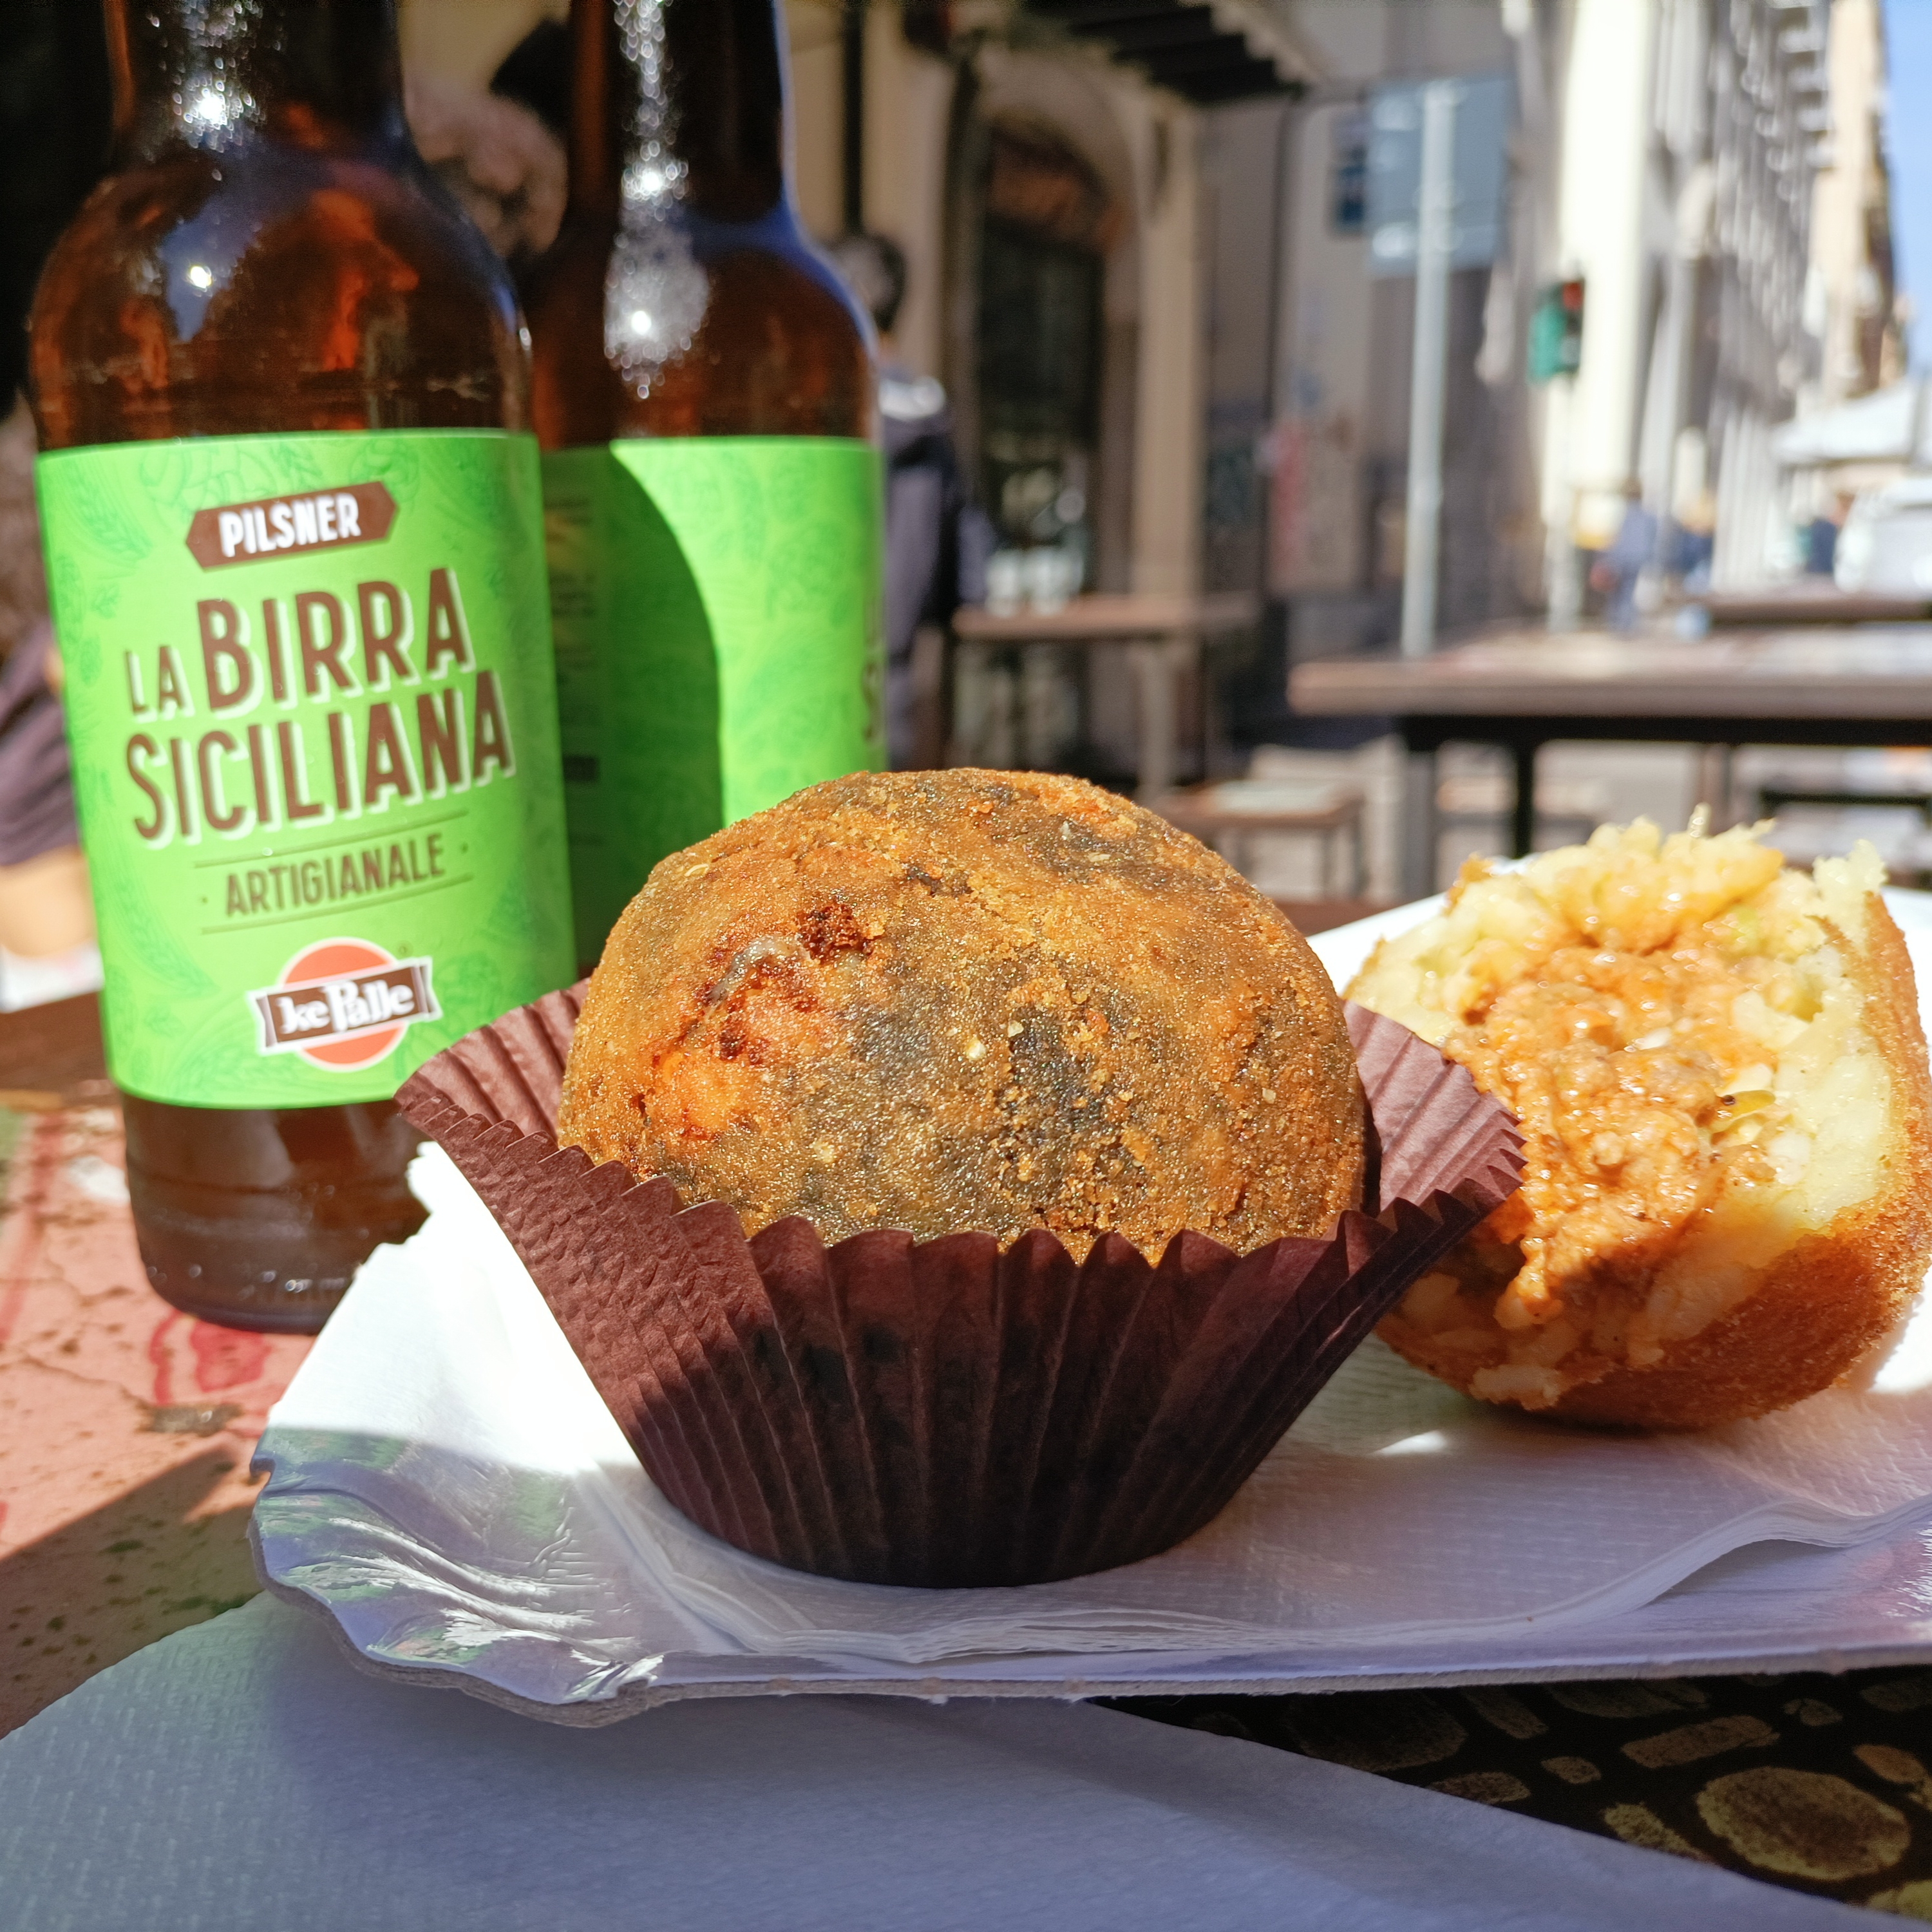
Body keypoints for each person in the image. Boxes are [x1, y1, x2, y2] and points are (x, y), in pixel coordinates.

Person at [827, 232, 992, 768]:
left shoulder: (820, 415)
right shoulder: (929, 417)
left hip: (816, 663)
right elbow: (966, 548)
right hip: (898, 676)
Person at [1588, 480, 1659, 632]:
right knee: (1628, 591)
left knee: (1618, 593)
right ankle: (1626, 623)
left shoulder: (1622, 515)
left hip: (1621, 559)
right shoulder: (1648, 516)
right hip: (1637, 559)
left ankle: (1618, 623)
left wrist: (1606, 558)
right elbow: (1651, 541)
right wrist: (1650, 560)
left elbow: (1615, 539)